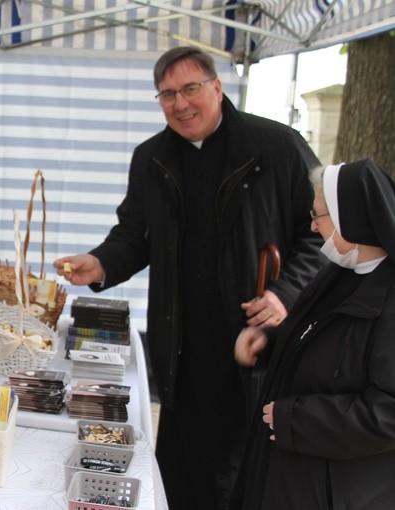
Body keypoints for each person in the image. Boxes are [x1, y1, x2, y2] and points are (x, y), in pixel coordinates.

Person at [53, 46, 325, 509]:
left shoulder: (277, 147)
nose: (180, 104)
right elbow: (134, 237)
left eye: (191, 89)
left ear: (218, 88)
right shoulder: (151, 159)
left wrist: (286, 295)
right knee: (182, 472)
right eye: (167, 94)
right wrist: (100, 263)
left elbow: (320, 234)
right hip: (181, 344)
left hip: (255, 342)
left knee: (246, 474)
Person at [232, 158, 395, 509]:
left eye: (318, 215)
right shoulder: (338, 273)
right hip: (287, 471)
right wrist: (270, 343)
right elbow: (315, 338)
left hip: (333, 489)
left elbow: (388, 415)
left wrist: (299, 421)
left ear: (352, 218)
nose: (313, 225)